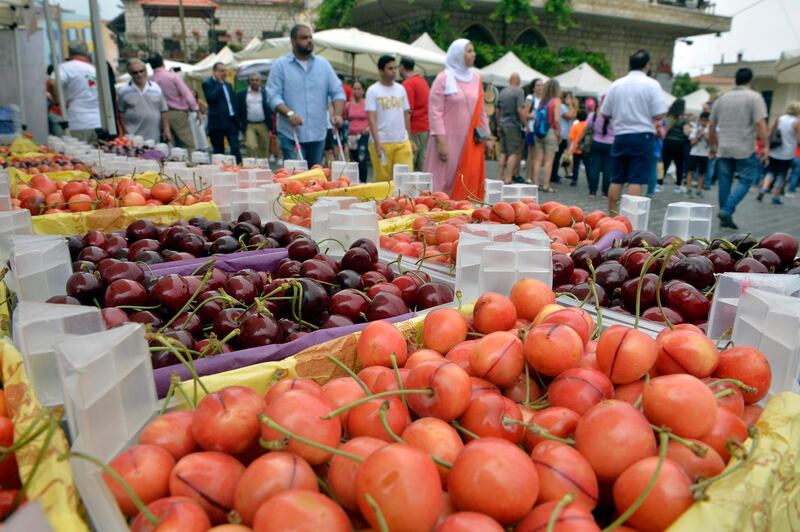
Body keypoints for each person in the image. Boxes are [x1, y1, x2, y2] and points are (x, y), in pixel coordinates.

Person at [267, 24, 345, 167]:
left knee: (314, 175)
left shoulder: (324, 65)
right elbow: (273, 96)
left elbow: (338, 91)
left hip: (318, 132)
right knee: (297, 176)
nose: (309, 40)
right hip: (291, 133)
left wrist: (338, 114)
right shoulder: (280, 65)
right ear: (293, 41)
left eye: (310, 37)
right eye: (304, 37)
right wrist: (289, 113)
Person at [601, 49, 667, 213]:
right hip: (643, 135)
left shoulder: (616, 84)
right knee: (635, 180)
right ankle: (631, 219)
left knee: (616, 179)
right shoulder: (652, 84)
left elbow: (605, 112)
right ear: (646, 65)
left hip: (621, 134)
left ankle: (612, 217)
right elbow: (659, 113)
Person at [425, 39, 491, 200]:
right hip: (446, 139)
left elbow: (481, 110)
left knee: (465, 180)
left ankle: (460, 217)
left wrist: (487, 136)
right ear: (457, 54)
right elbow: (435, 111)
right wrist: (441, 141)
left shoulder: (476, 78)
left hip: (470, 140)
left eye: (473, 51)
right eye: (468, 51)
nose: (473, 54)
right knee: (441, 180)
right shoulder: (443, 78)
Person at [709, 68, 769, 230]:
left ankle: (725, 216)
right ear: (751, 80)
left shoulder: (722, 99)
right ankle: (727, 211)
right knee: (746, 180)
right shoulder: (754, 97)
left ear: (735, 79)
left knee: (724, 182)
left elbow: (712, 125)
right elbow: (760, 123)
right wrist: (765, 145)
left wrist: (712, 145)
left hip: (724, 148)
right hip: (745, 148)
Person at [366, 56, 414, 182]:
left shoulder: (401, 89)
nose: (394, 71)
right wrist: (377, 142)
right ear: (381, 71)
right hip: (382, 141)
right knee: (383, 182)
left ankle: (406, 202)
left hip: (402, 141)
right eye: (390, 68)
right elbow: (371, 118)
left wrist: (409, 139)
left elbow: (406, 115)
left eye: (395, 68)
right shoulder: (373, 91)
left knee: (406, 179)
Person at [149, 53, 199, 151]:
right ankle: (190, 164)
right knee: (187, 144)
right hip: (177, 113)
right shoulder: (172, 76)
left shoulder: (151, 81)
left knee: (170, 147)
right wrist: (196, 109)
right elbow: (187, 94)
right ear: (162, 61)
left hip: (160, 116)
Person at [54, 42, 101, 142]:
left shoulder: (65, 67)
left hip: (77, 122)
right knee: (98, 156)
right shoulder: (93, 69)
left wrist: (58, 102)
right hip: (98, 122)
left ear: (70, 53)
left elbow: (52, 83)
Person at [118, 59, 171, 144]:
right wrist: (124, 132)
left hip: (154, 136)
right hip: (133, 137)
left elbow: (164, 110)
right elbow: (121, 113)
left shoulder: (156, 88)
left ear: (146, 71)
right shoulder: (124, 91)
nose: (139, 75)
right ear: (130, 73)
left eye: (141, 71)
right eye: (135, 72)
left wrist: (166, 129)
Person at [758, 101, 800, 205]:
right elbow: (798, 138)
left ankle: (763, 189)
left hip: (775, 149)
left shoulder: (780, 119)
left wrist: (767, 146)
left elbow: (770, 132)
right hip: (788, 152)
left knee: (771, 171)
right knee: (782, 174)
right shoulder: (797, 122)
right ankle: (775, 197)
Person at [202, 62, 241, 163]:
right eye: (221, 71)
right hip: (217, 122)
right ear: (215, 72)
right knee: (219, 150)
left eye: (225, 70)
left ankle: (238, 167)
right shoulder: (208, 84)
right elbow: (211, 99)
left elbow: (233, 102)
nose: (224, 73)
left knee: (235, 147)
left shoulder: (228, 85)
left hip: (231, 120)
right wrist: (219, 83)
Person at [529, 79, 562, 192]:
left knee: (537, 159)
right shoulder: (556, 101)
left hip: (538, 132)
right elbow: (556, 119)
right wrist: (559, 133)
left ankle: (535, 183)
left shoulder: (543, 101)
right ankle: (546, 185)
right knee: (549, 161)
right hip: (550, 132)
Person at [399, 57, 430, 172]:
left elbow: (407, 112)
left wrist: (408, 136)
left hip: (415, 128)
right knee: (422, 163)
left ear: (402, 66)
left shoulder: (408, 84)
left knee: (410, 164)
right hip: (425, 127)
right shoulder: (422, 81)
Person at [496, 73, 526, 184]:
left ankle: (500, 176)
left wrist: (498, 124)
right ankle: (508, 177)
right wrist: (526, 124)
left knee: (503, 151)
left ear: (509, 80)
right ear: (518, 81)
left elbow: (497, 110)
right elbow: (519, 109)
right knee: (513, 152)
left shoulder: (503, 91)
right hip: (513, 125)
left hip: (503, 124)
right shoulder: (519, 92)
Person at [235, 72, 272, 159]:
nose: (254, 82)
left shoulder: (266, 93)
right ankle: (251, 166)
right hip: (249, 124)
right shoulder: (241, 94)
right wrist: (239, 123)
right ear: (249, 81)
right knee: (251, 146)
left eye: (257, 80)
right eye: (252, 80)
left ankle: (263, 167)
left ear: (260, 81)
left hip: (263, 124)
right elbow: (238, 110)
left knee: (264, 147)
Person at [585, 96, 614, 198]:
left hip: (596, 142)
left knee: (594, 168)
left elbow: (587, 126)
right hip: (610, 143)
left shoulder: (594, 115)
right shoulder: (614, 116)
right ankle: (605, 193)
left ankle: (592, 191)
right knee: (608, 169)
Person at [660, 99, 691, 193]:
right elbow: (686, 133)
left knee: (664, 164)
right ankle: (677, 186)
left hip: (667, 143)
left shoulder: (668, 117)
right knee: (679, 165)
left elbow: (664, 130)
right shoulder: (684, 119)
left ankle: (659, 184)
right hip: (679, 144)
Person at [344, 79, 369, 183]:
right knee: (353, 159)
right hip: (351, 136)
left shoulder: (367, 104)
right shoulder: (348, 105)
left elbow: (373, 119)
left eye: (359, 89)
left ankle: (363, 181)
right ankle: (354, 181)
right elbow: (345, 118)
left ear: (363, 90)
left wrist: (369, 128)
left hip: (363, 134)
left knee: (361, 158)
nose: (356, 91)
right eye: (354, 89)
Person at [552, 91, 577, 182]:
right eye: (568, 98)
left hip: (567, 135)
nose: (569, 100)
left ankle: (557, 173)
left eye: (571, 98)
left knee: (562, 155)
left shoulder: (569, 108)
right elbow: (569, 116)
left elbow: (574, 115)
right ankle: (553, 175)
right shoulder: (562, 107)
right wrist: (570, 106)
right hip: (562, 134)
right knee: (557, 156)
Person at [685, 111, 711, 197]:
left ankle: (699, 190)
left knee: (702, 173)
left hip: (705, 154)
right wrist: (700, 135)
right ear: (700, 120)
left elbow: (710, 143)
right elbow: (692, 143)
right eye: (702, 120)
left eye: (706, 121)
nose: (704, 122)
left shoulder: (710, 130)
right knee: (691, 171)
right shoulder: (695, 129)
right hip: (694, 153)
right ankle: (689, 188)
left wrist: (705, 135)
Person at [523, 78, 544, 183]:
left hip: (541, 130)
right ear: (533, 87)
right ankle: (528, 177)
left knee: (538, 155)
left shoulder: (545, 99)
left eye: (541, 85)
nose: (540, 87)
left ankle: (534, 177)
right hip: (531, 129)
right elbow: (524, 113)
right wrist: (527, 125)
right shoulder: (530, 98)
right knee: (531, 154)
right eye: (538, 85)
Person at [568, 110, 588, 188]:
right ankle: (590, 181)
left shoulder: (575, 126)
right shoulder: (587, 125)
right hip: (585, 148)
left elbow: (571, 138)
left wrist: (569, 148)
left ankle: (574, 180)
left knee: (576, 165)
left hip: (576, 148)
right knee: (588, 165)